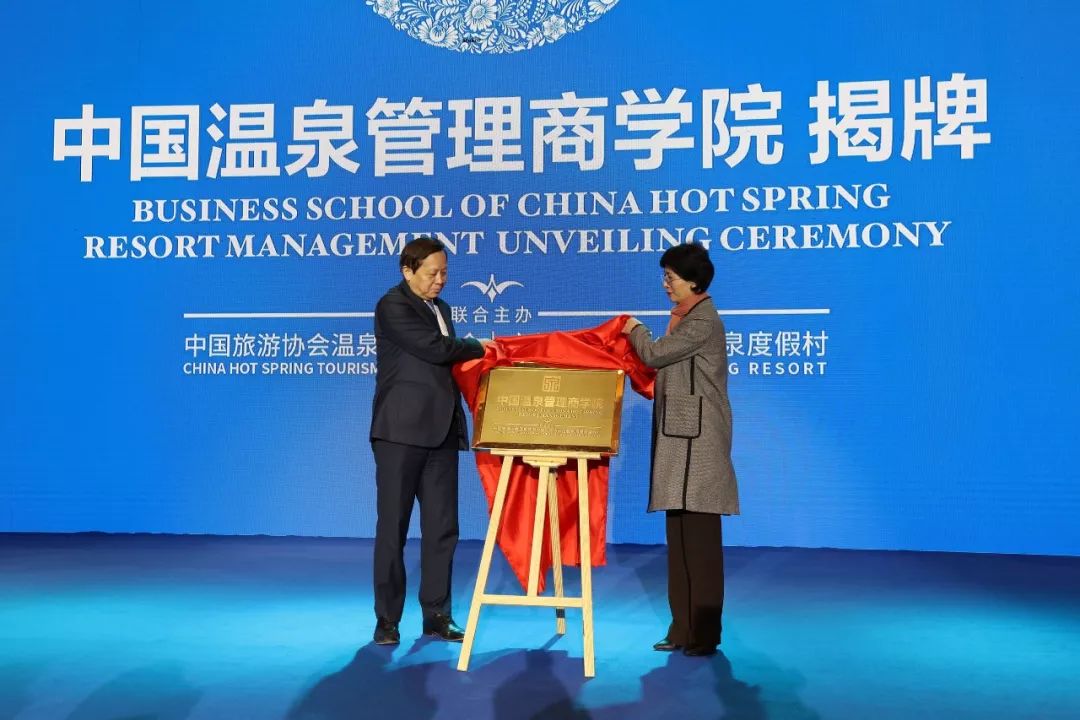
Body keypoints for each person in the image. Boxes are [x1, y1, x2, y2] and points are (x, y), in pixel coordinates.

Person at [369, 237, 488, 645]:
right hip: (400, 434)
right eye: (432, 273)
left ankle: (437, 614)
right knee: (393, 529)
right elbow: (434, 349)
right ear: (408, 271)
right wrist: (477, 346)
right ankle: (387, 620)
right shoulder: (393, 305)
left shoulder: (443, 309)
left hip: (440, 434)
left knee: (442, 529)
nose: (440, 280)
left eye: (444, 272)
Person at [622, 242, 739, 657]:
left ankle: (703, 634)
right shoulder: (686, 318)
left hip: (699, 445)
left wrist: (633, 328)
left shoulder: (702, 320)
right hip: (682, 442)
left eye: (670, 277)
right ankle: (682, 629)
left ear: (693, 282)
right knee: (680, 541)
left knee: (701, 546)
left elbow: (654, 354)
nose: (665, 284)